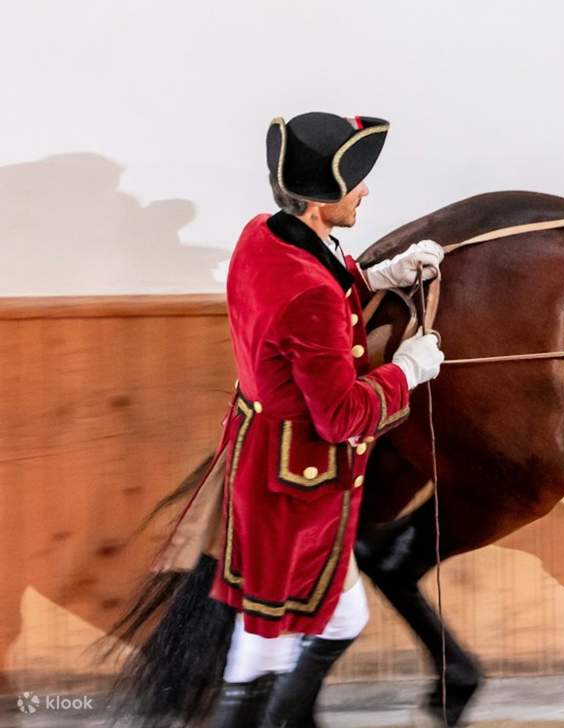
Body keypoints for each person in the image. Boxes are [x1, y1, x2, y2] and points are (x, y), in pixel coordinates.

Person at [206, 112, 445, 727]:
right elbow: (340, 416)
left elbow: (308, 291)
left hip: (269, 463)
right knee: (266, 645)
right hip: (296, 486)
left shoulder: (264, 233)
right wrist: (409, 371)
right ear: (319, 199)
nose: (366, 190)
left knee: (323, 623)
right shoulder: (309, 293)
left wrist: (375, 277)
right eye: (356, 181)